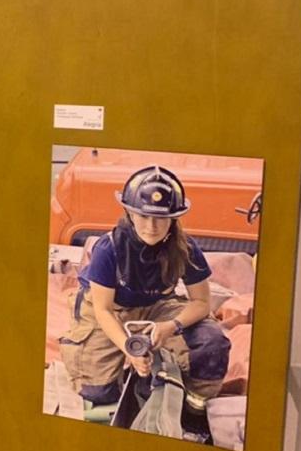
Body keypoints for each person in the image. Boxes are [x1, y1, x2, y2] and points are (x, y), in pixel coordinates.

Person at [59, 165, 232, 414]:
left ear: (173, 218)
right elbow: (103, 309)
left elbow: (201, 303)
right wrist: (128, 347)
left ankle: (193, 407)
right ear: (129, 214)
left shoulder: (186, 248)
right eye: (143, 216)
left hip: (157, 304)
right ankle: (137, 369)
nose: (152, 226)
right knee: (98, 391)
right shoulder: (109, 248)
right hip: (111, 307)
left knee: (212, 344)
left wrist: (172, 326)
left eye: (161, 218)